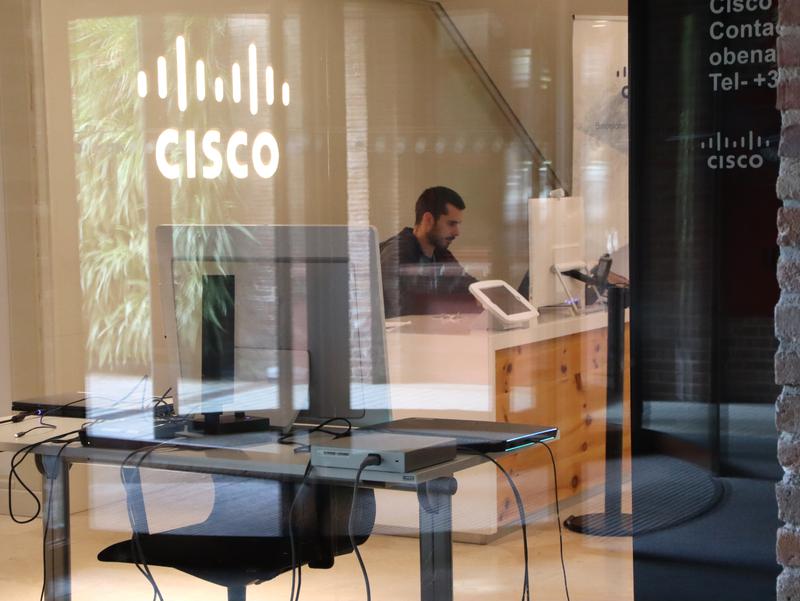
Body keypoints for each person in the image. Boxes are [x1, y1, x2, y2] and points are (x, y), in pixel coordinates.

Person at [380, 186, 481, 318]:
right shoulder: (397, 253)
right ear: (428, 220)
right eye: (451, 224)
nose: (457, 232)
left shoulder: (441, 254)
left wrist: (485, 296)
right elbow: (407, 307)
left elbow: (470, 287)